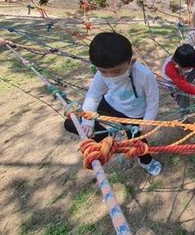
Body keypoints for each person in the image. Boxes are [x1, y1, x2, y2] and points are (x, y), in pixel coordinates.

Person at [63, 32, 162, 176]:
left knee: (138, 141)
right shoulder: (101, 74)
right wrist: (87, 122)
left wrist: (148, 119)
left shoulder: (144, 75)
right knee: (72, 122)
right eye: (103, 71)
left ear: (132, 62)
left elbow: (153, 99)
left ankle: (146, 162)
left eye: (116, 71)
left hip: (134, 114)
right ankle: (107, 139)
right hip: (111, 103)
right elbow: (93, 96)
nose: (110, 76)